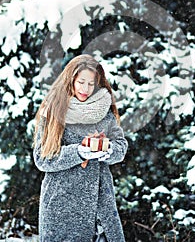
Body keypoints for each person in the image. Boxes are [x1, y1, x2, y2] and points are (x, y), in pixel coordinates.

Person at [33, 54, 128, 242]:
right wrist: (78, 152)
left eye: (91, 84)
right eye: (81, 82)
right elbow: (42, 158)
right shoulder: (52, 111)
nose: (85, 89)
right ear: (71, 81)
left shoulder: (103, 110)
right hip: (61, 205)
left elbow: (121, 146)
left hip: (100, 204)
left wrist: (108, 151)